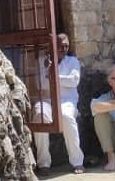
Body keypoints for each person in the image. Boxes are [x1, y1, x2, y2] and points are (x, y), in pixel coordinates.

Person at [32, 33, 85, 174]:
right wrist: (58, 78)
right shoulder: (42, 61)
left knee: (66, 117)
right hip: (47, 101)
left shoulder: (73, 61)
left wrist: (52, 75)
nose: (64, 49)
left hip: (67, 102)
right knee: (40, 116)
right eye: (60, 46)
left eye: (66, 46)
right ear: (52, 46)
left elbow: (74, 81)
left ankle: (77, 162)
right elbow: (40, 84)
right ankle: (43, 164)